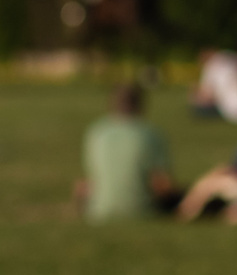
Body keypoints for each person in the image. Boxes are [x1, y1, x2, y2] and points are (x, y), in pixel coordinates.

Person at [77, 81, 182, 221]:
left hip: (98, 211)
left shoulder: (96, 132)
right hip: (143, 211)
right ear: (141, 105)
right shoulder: (150, 134)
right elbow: (161, 184)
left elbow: (90, 181)